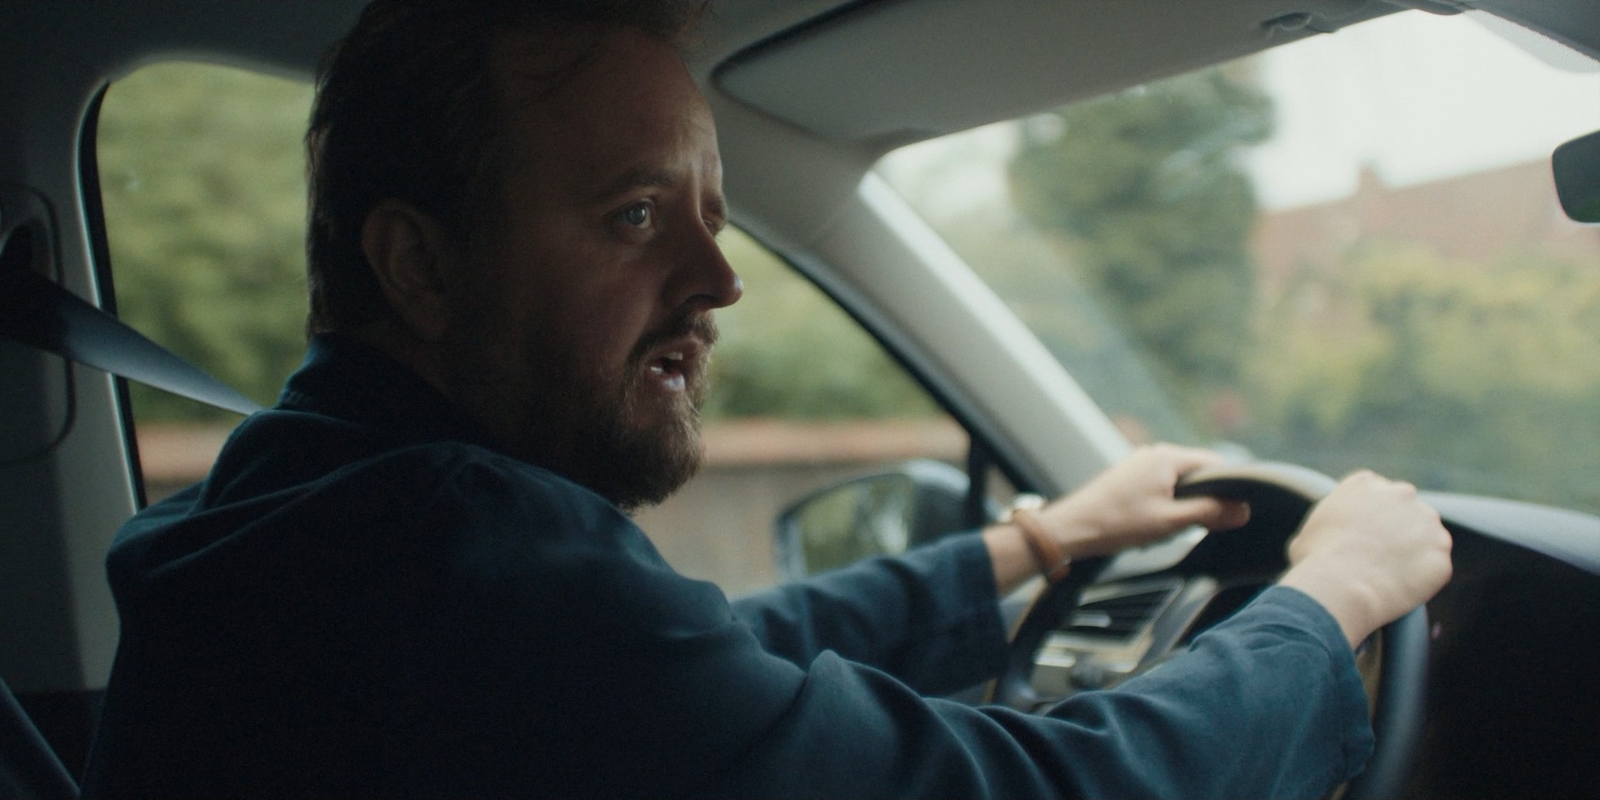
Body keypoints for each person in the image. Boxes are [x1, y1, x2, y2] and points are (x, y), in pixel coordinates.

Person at [80, 1, 1454, 797]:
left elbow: (711, 664)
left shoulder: (299, 502)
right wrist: (1327, 606)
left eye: (714, 218)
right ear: (419, 262)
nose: (717, 282)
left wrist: (1034, 545)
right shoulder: (449, 552)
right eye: (633, 215)